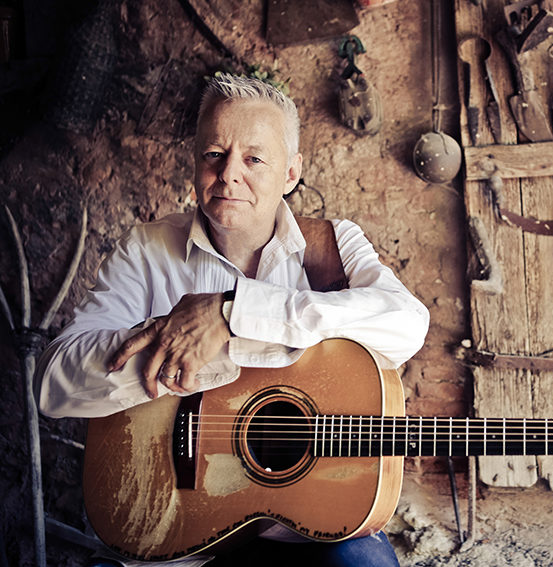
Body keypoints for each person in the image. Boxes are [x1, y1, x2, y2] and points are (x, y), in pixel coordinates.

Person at [35, 73, 430, 567]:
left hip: (306, 532)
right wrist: (173, 350)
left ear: (290, 173)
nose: (227, 175)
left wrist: (231, 317)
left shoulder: (334, 245)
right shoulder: (147, 249)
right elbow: (54, 384)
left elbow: (406, 324)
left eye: (254, 159)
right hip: (178, 532)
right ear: (195, 162)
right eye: (214, 155)